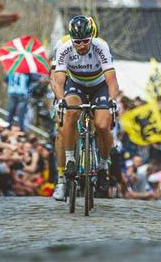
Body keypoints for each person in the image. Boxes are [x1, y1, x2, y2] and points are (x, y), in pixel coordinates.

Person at [50, 15, 119, 201]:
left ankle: (103, 166)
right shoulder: (64, 48)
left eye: (85, 41)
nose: (81, 46)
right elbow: (58, 80)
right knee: (71, 113)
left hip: (99, 85)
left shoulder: (100, 46)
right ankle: (70, 160)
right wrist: (60, 99)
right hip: (76, 85)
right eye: (77, 42)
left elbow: (112, 79)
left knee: (103, 125)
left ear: (92, 38)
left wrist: (113, 100)